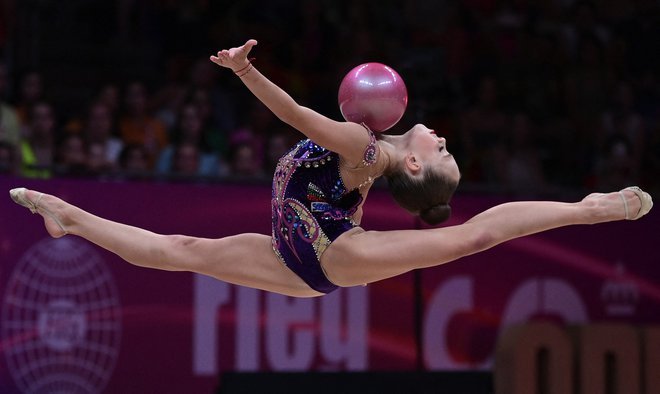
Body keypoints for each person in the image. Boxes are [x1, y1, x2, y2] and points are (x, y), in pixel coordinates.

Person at [9, 39, 653, 298]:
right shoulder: (378, 140)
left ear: (418, 165)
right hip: (294, 256)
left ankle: (591, 207)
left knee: (471, 236)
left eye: (445, 153)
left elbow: (293, 114)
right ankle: (70, 216)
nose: (446, 137)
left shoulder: (366, 146)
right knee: (179, 248)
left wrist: (244, 71)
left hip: (330, 254)